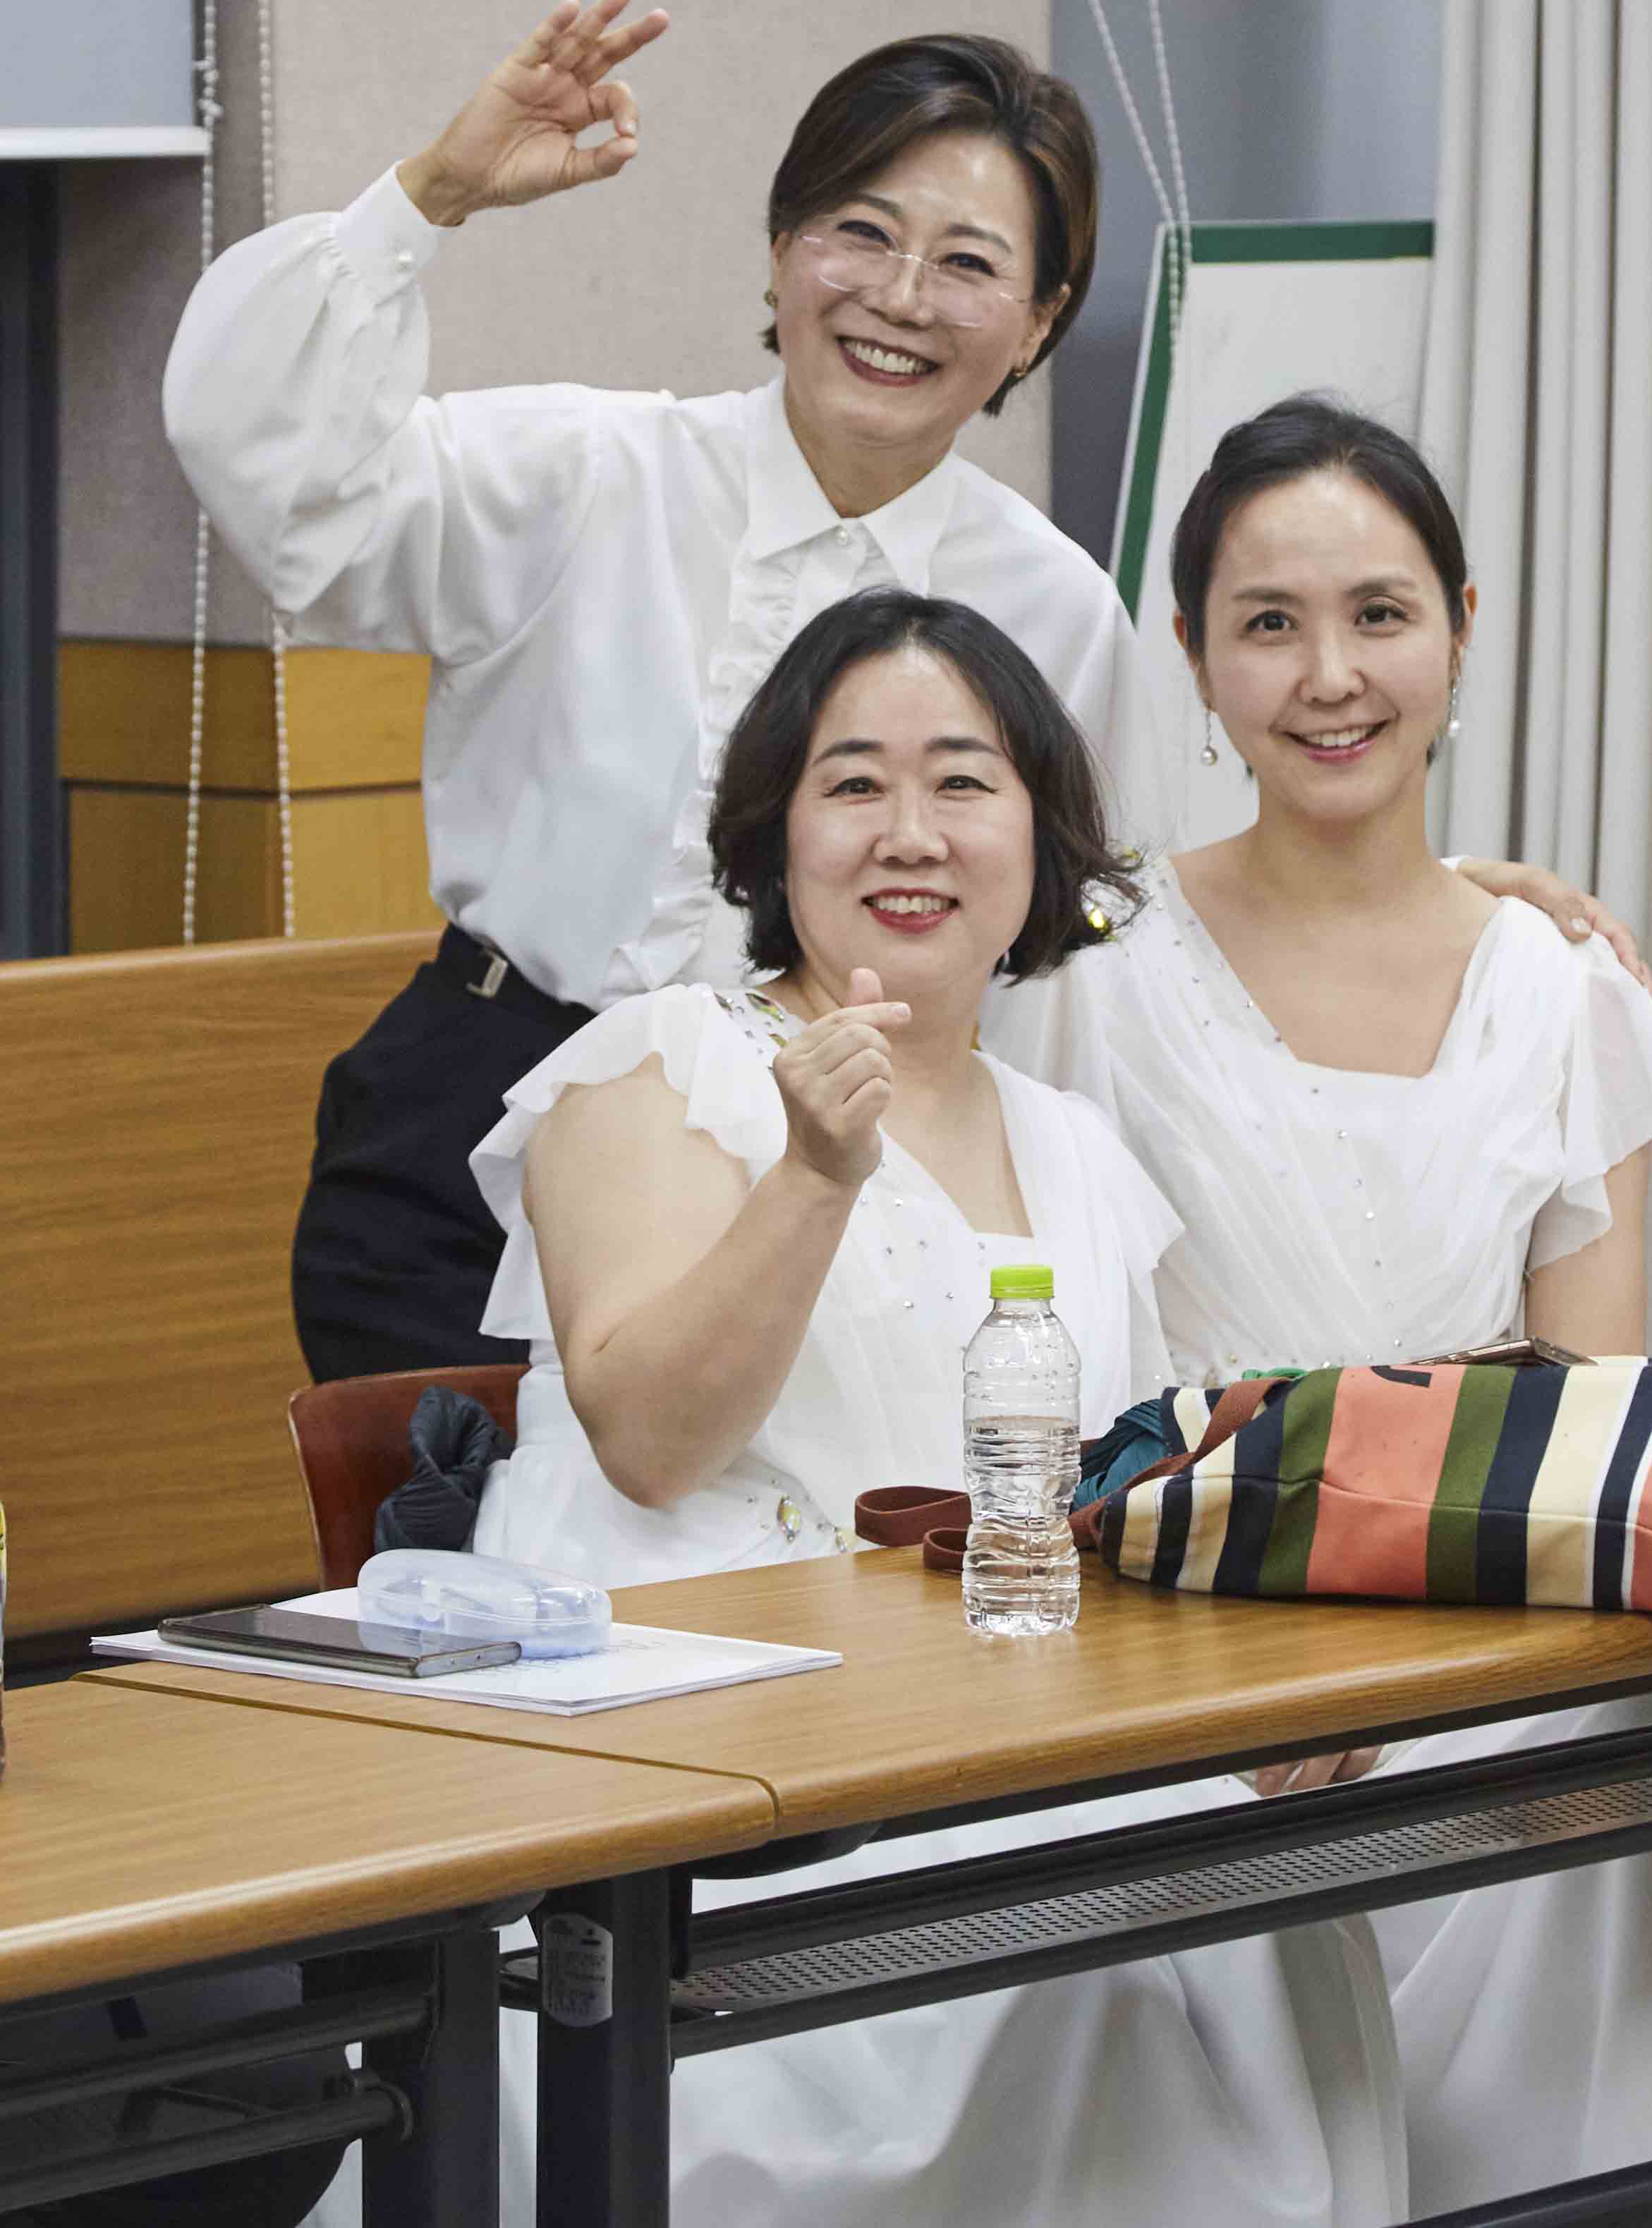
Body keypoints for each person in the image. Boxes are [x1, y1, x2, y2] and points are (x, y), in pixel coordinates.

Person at [163, 0, 1639, 1384]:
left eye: (971, 264)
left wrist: (1417, 895)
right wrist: (435, 191)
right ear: (781, 250)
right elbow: (287, 484)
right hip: (484, 1115)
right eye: (861, 234)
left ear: (1041, 321)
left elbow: (1112, 924)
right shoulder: (583, 472)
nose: (901, 298)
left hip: (858, 1176)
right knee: (482, 1561)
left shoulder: (1051, 605)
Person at [997, 394, 1652, 2212]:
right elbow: (1058, 1384)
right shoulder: (1087, 974)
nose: (1331, 675)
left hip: (1493, 1619)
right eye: (1269, 622)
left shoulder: (1563, 989)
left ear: (1462, 630)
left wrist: (1422, 1649)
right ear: (1196, 659)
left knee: (1635, 1766)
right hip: (1199, 1628)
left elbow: (1592, 1416)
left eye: (1381, 614)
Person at [447, 589, 1411, 2228]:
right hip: (704, 1790)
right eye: (854, 783)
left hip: (985, 1740)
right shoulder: (660, 1060)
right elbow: (649, 1439)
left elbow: (1117, 1505)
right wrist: (815, 1177)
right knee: (1115, 1957)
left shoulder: (1076, 1146)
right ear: (776, 831)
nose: (911, 832)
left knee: (1261, 1900)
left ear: (1040, 836)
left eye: (964, 780)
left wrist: (1273, 1682)